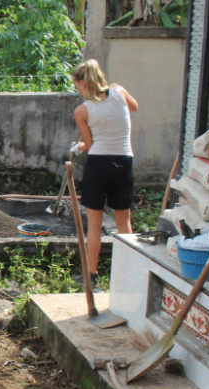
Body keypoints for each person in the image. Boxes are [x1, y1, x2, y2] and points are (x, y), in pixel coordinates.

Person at [70, 59, 139, 283]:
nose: (77, 90)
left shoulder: (82, 111)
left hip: (98, 165)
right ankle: (130, 273)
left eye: (76, 85)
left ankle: (91, 275)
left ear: (84, 83)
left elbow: (88, 145)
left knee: (95, 225)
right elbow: (134, 107)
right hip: (124, 163)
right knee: (124, 222)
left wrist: (77, 147)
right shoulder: (119, 92)